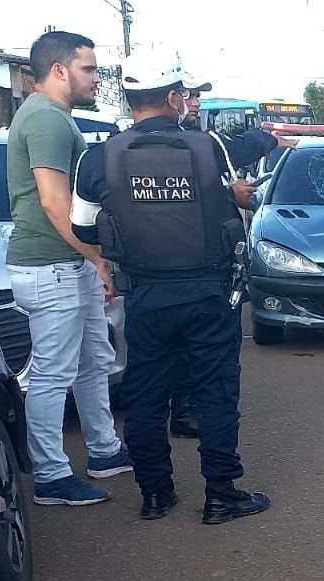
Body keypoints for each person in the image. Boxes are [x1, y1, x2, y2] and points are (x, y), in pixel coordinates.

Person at [70, 52, 271, 524]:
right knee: (216, 392)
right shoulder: (208, 147)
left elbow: (83, 228)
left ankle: (156, 494)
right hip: (208, 293)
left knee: (145, 395)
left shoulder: (98, 156)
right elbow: (227, 200)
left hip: (144, 295)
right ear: (174, 97)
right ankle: (221, 494)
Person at [7, 30, 132, 506]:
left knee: (93, 361)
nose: (97, 79)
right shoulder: (46, 120)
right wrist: (99, 260)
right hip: (52, 264)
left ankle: (103, 450)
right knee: (53, 373)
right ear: (59, 70)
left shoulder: (51, 117)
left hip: (66, 263)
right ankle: (51, 475)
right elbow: (55, 202)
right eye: (89, 69)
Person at [166, 87, 281, 439]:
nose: (196, 102)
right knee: (211, 360)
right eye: (189, 95)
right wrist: (230, 194)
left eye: (198, 96)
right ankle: (218, 481)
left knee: (172, 356)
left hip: (158, 269)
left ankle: (176, 431)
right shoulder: (203, 144)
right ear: (171, 98)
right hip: (195, 266)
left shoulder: (120, 147)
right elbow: (190, 198)